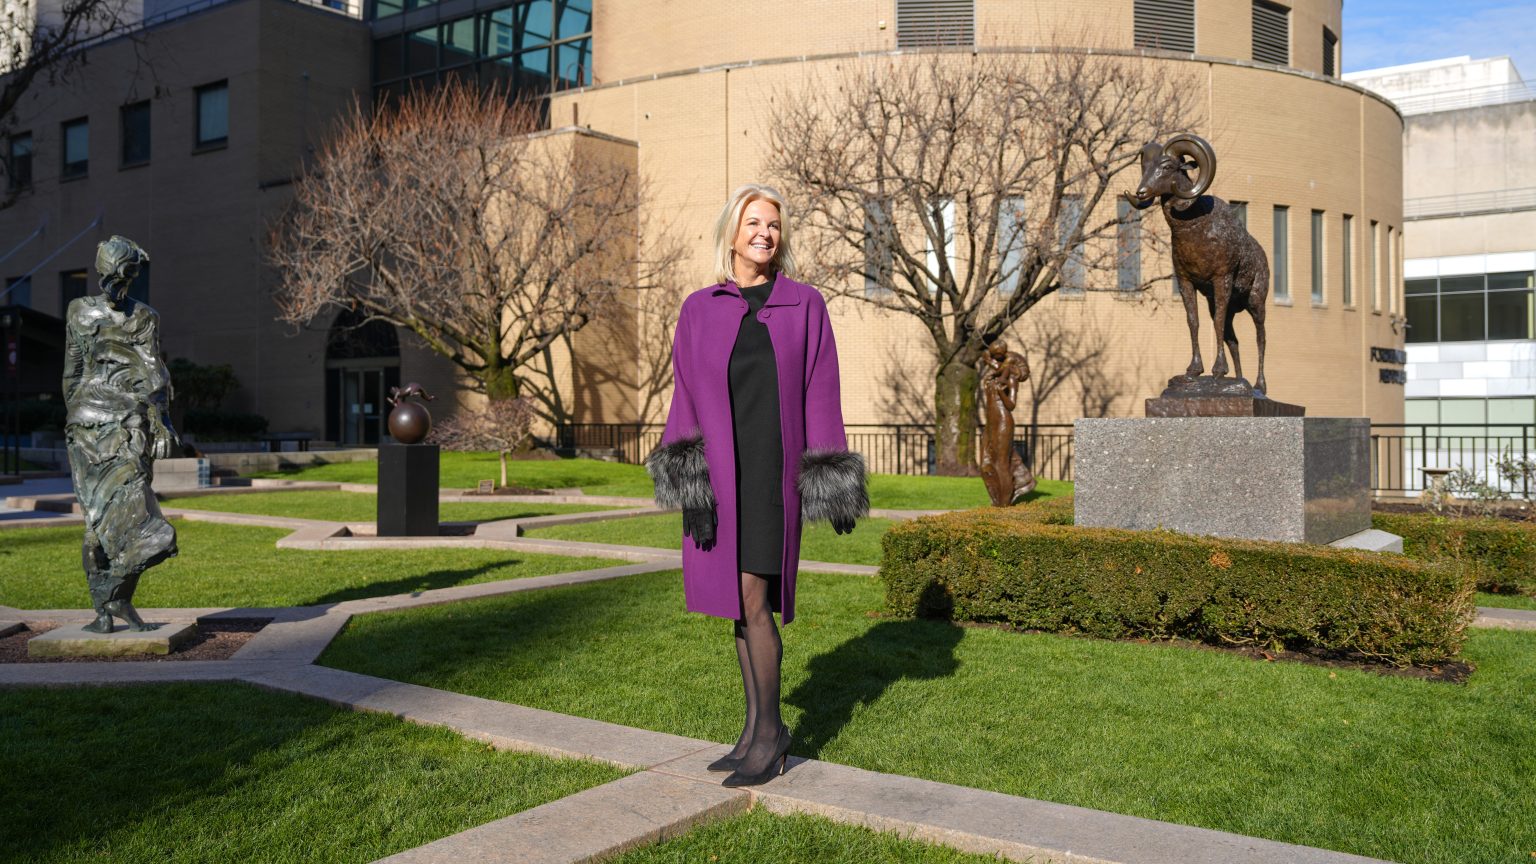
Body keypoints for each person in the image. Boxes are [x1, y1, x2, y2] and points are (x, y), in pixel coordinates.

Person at [646, 184, 868, 788]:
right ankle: (751, 730)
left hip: (773, 478)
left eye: (773, 224)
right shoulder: (699, 308)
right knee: (735, 607)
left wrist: (832, 477)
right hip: (722, 478)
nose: (764, 233)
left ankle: (772, 735)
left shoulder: (804, 304)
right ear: (732, 232)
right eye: (753, 223)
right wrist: (689, 483)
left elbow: (821, 390)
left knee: (752, 597)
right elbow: (685, 395)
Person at [63, 236, 179, 634]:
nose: (120, 283)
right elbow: (72, 372)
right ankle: (104, 609)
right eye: (114, 273)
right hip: (87, 429)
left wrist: (161, 421)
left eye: (128, 274)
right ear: (102, 270)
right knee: (94, 523)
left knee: (138, 514)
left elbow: (155, 373)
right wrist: (75, 420)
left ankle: (119, 598)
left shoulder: (145, 318)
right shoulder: (78, 312)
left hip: (129, 428)